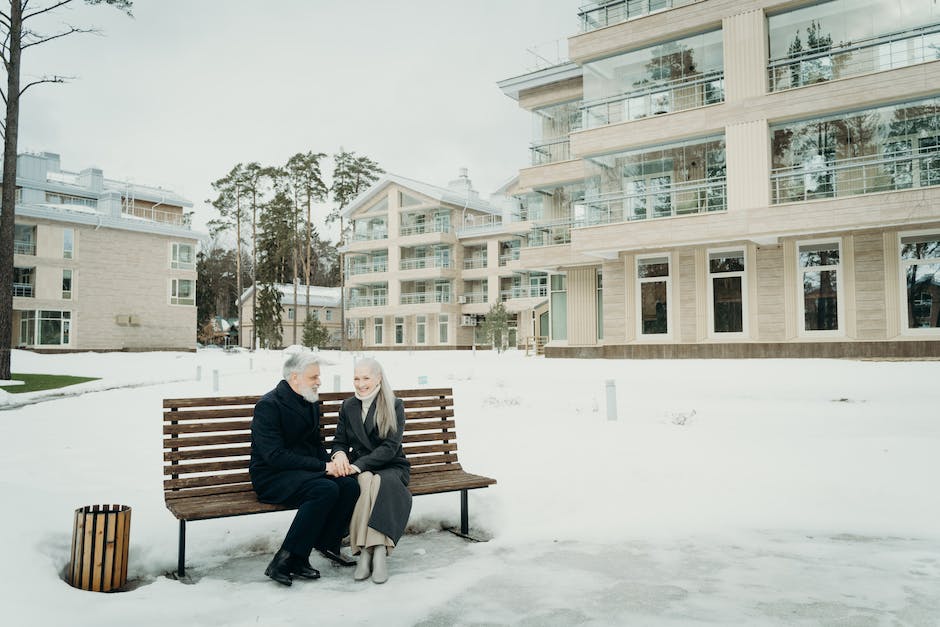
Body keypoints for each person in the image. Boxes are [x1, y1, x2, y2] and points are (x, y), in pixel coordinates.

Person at [249, 352, 360, 586]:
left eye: (318, 376)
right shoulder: (269, 405)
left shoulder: (309, 399)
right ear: (294, 377)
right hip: (272, 477)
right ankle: (284, 559)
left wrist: (334, 465)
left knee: (348, 485)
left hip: (301, 473)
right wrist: (323, 467)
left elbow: (314, 444)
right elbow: (274, 456)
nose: (319, 381)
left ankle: (324, 544)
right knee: (324, 490)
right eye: (314, 377)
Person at [330, 357, 412, 584]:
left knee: (376, 482)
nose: (360, 383)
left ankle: (373, 553)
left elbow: (390, 447)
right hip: (361, 468)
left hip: (392, 465)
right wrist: (340, 455)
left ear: (378, 378)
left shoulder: (394, 404)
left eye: (366, 377)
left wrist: (358, 465)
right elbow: (339, 441)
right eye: (356, 378)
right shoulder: (348, 406)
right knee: (366, 481)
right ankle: (371, 551)